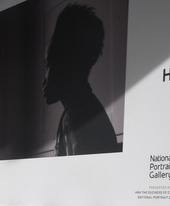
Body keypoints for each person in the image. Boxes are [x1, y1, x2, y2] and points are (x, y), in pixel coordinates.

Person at [43, 3, 120, 156]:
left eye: (50, 63)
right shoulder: (81, 111)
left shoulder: (78, 117)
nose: (44, 78)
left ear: (70, 65)